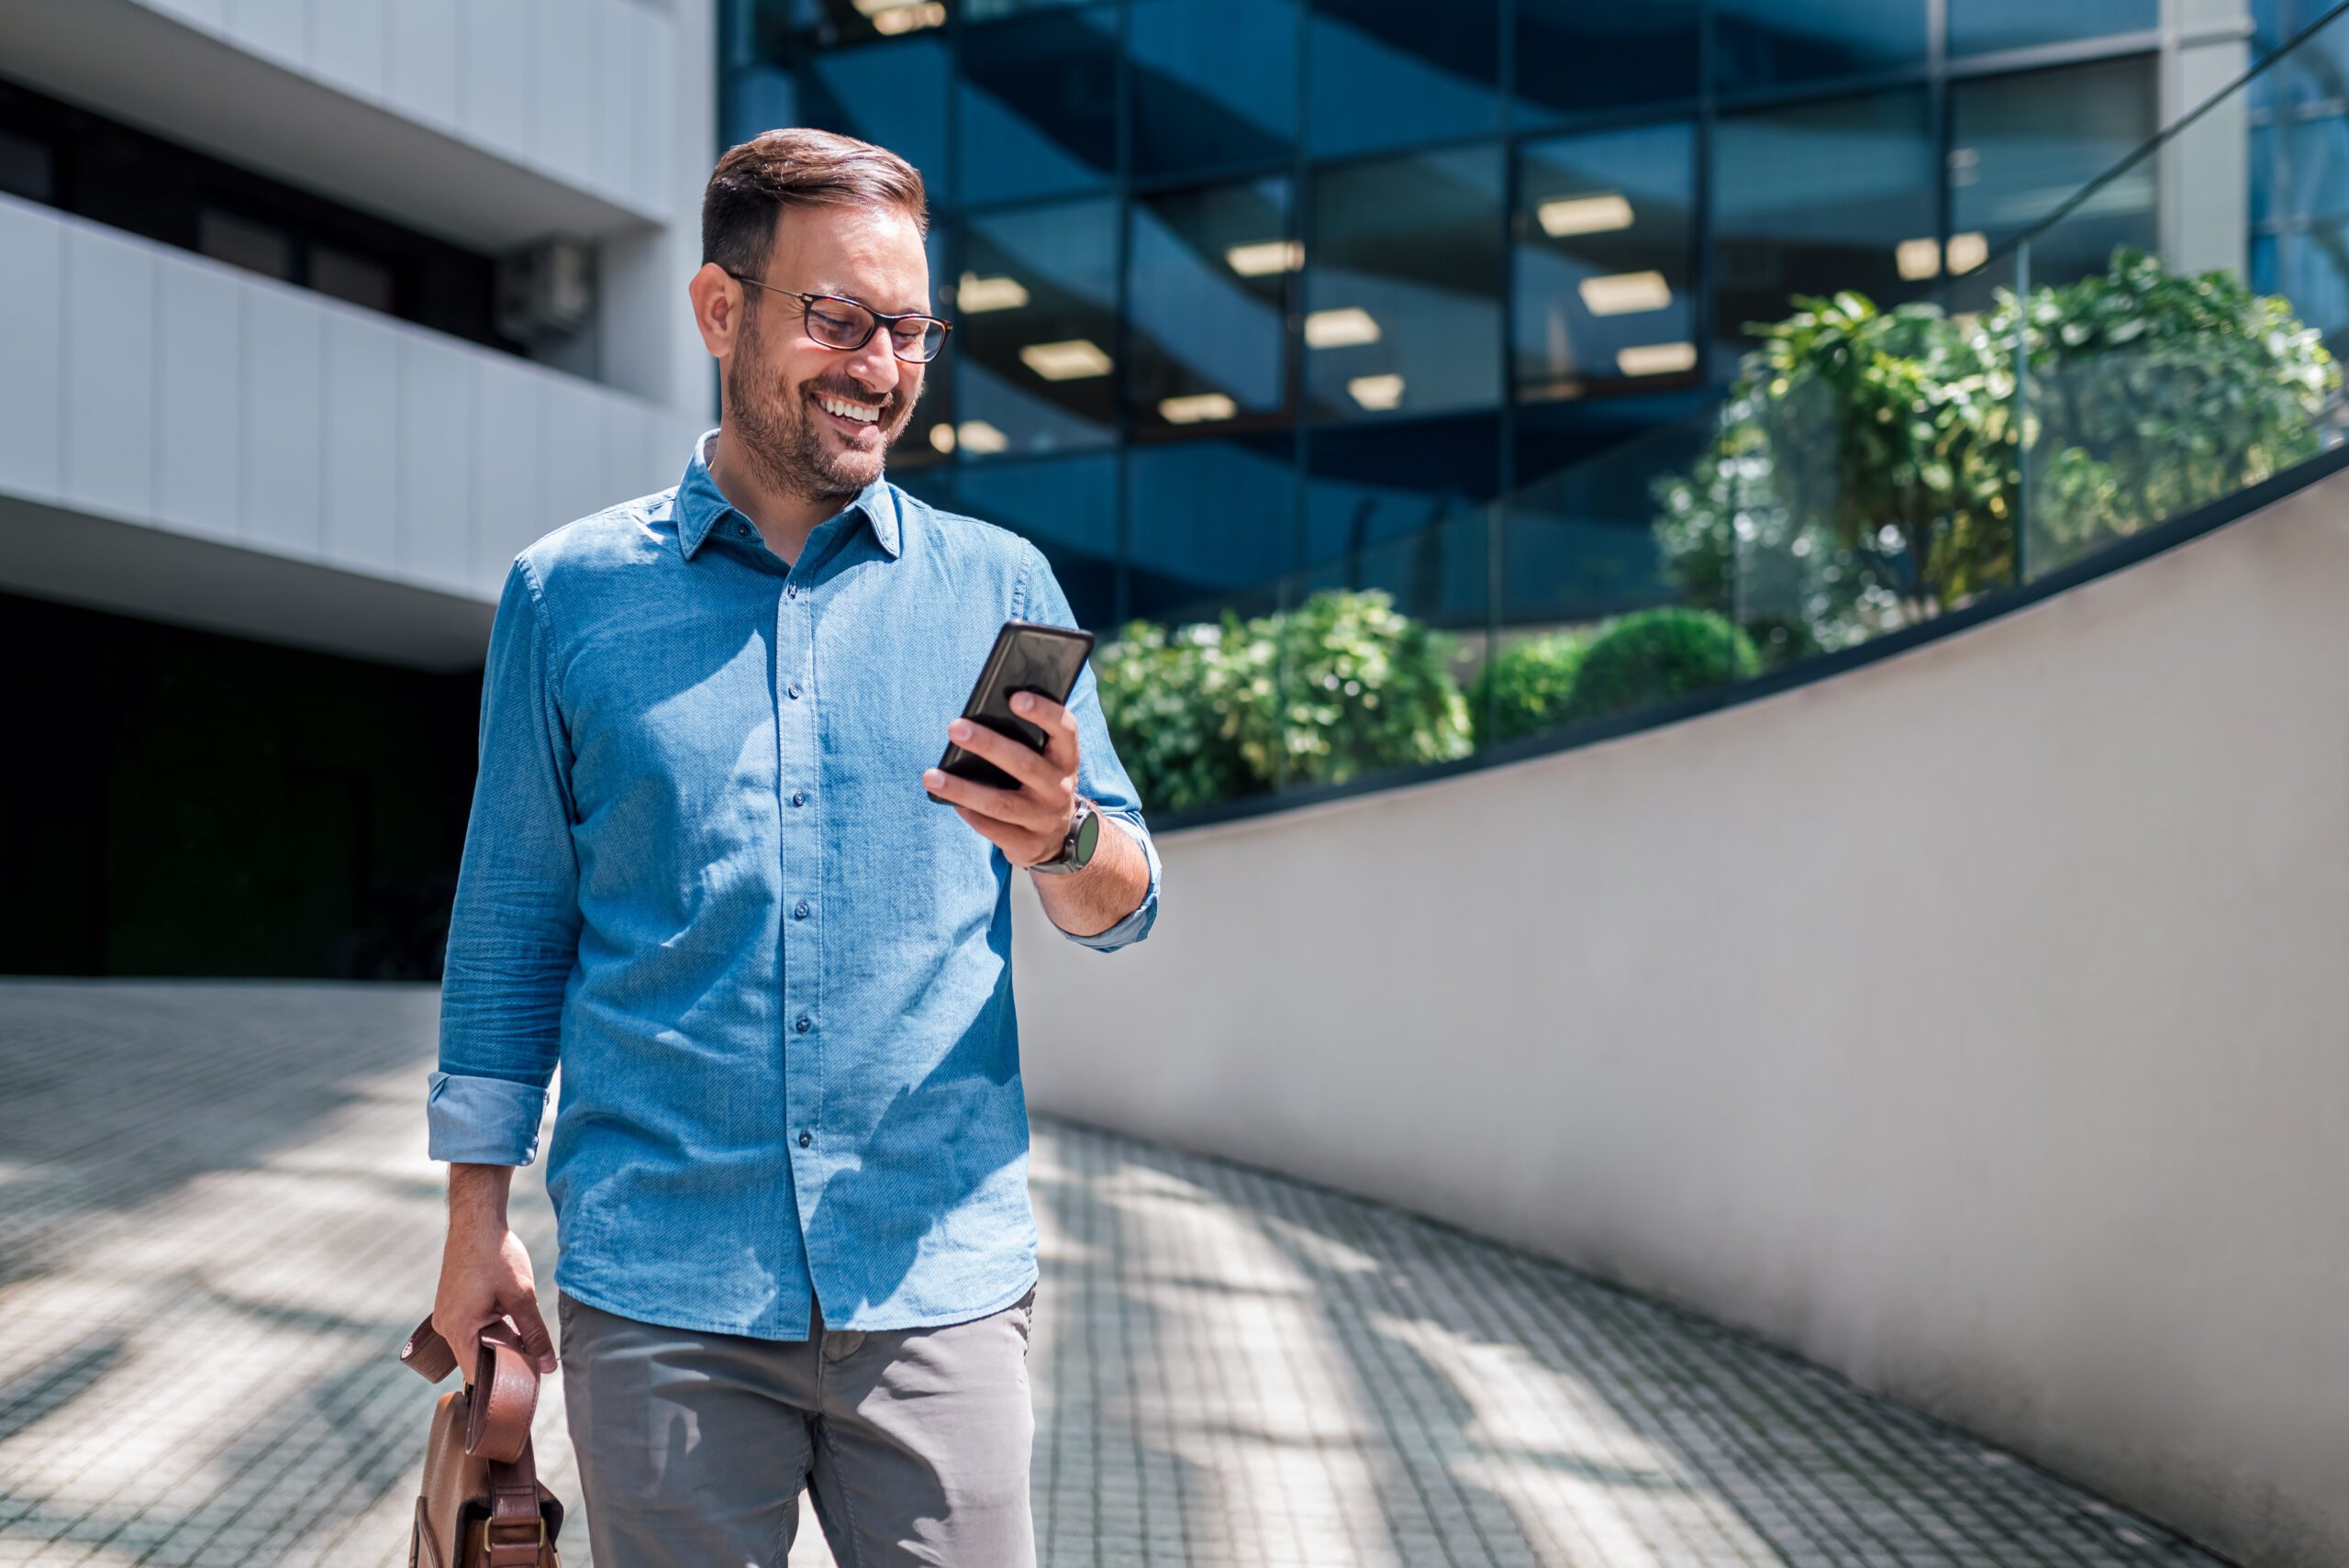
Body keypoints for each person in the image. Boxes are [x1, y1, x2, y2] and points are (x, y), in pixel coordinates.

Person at [425, 128, 1162, 1568]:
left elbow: (1125, 900)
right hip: (666, 1298)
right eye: (836, 318)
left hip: (936, 1288)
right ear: (719, 311)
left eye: (907, 329)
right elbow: (512, 927)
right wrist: (476, 1223)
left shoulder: (998, 586)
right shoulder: (566, 599)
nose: (878, 366)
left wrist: (1061, 833)